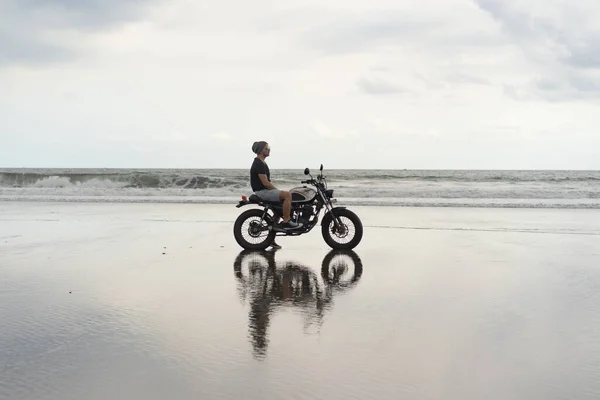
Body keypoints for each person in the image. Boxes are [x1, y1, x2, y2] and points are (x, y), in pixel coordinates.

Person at [250, 141, 302, 235]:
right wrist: (277, 191)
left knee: (279, 209)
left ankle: (271, 238)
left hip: (263, 190)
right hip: (262, 191)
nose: (269, 149)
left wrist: (276, 191)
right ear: (260, 150)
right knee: (287, 195)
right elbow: (266, 183)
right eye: (266, 148)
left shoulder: (262, 162)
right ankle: (287, 221)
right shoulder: (259, 163)